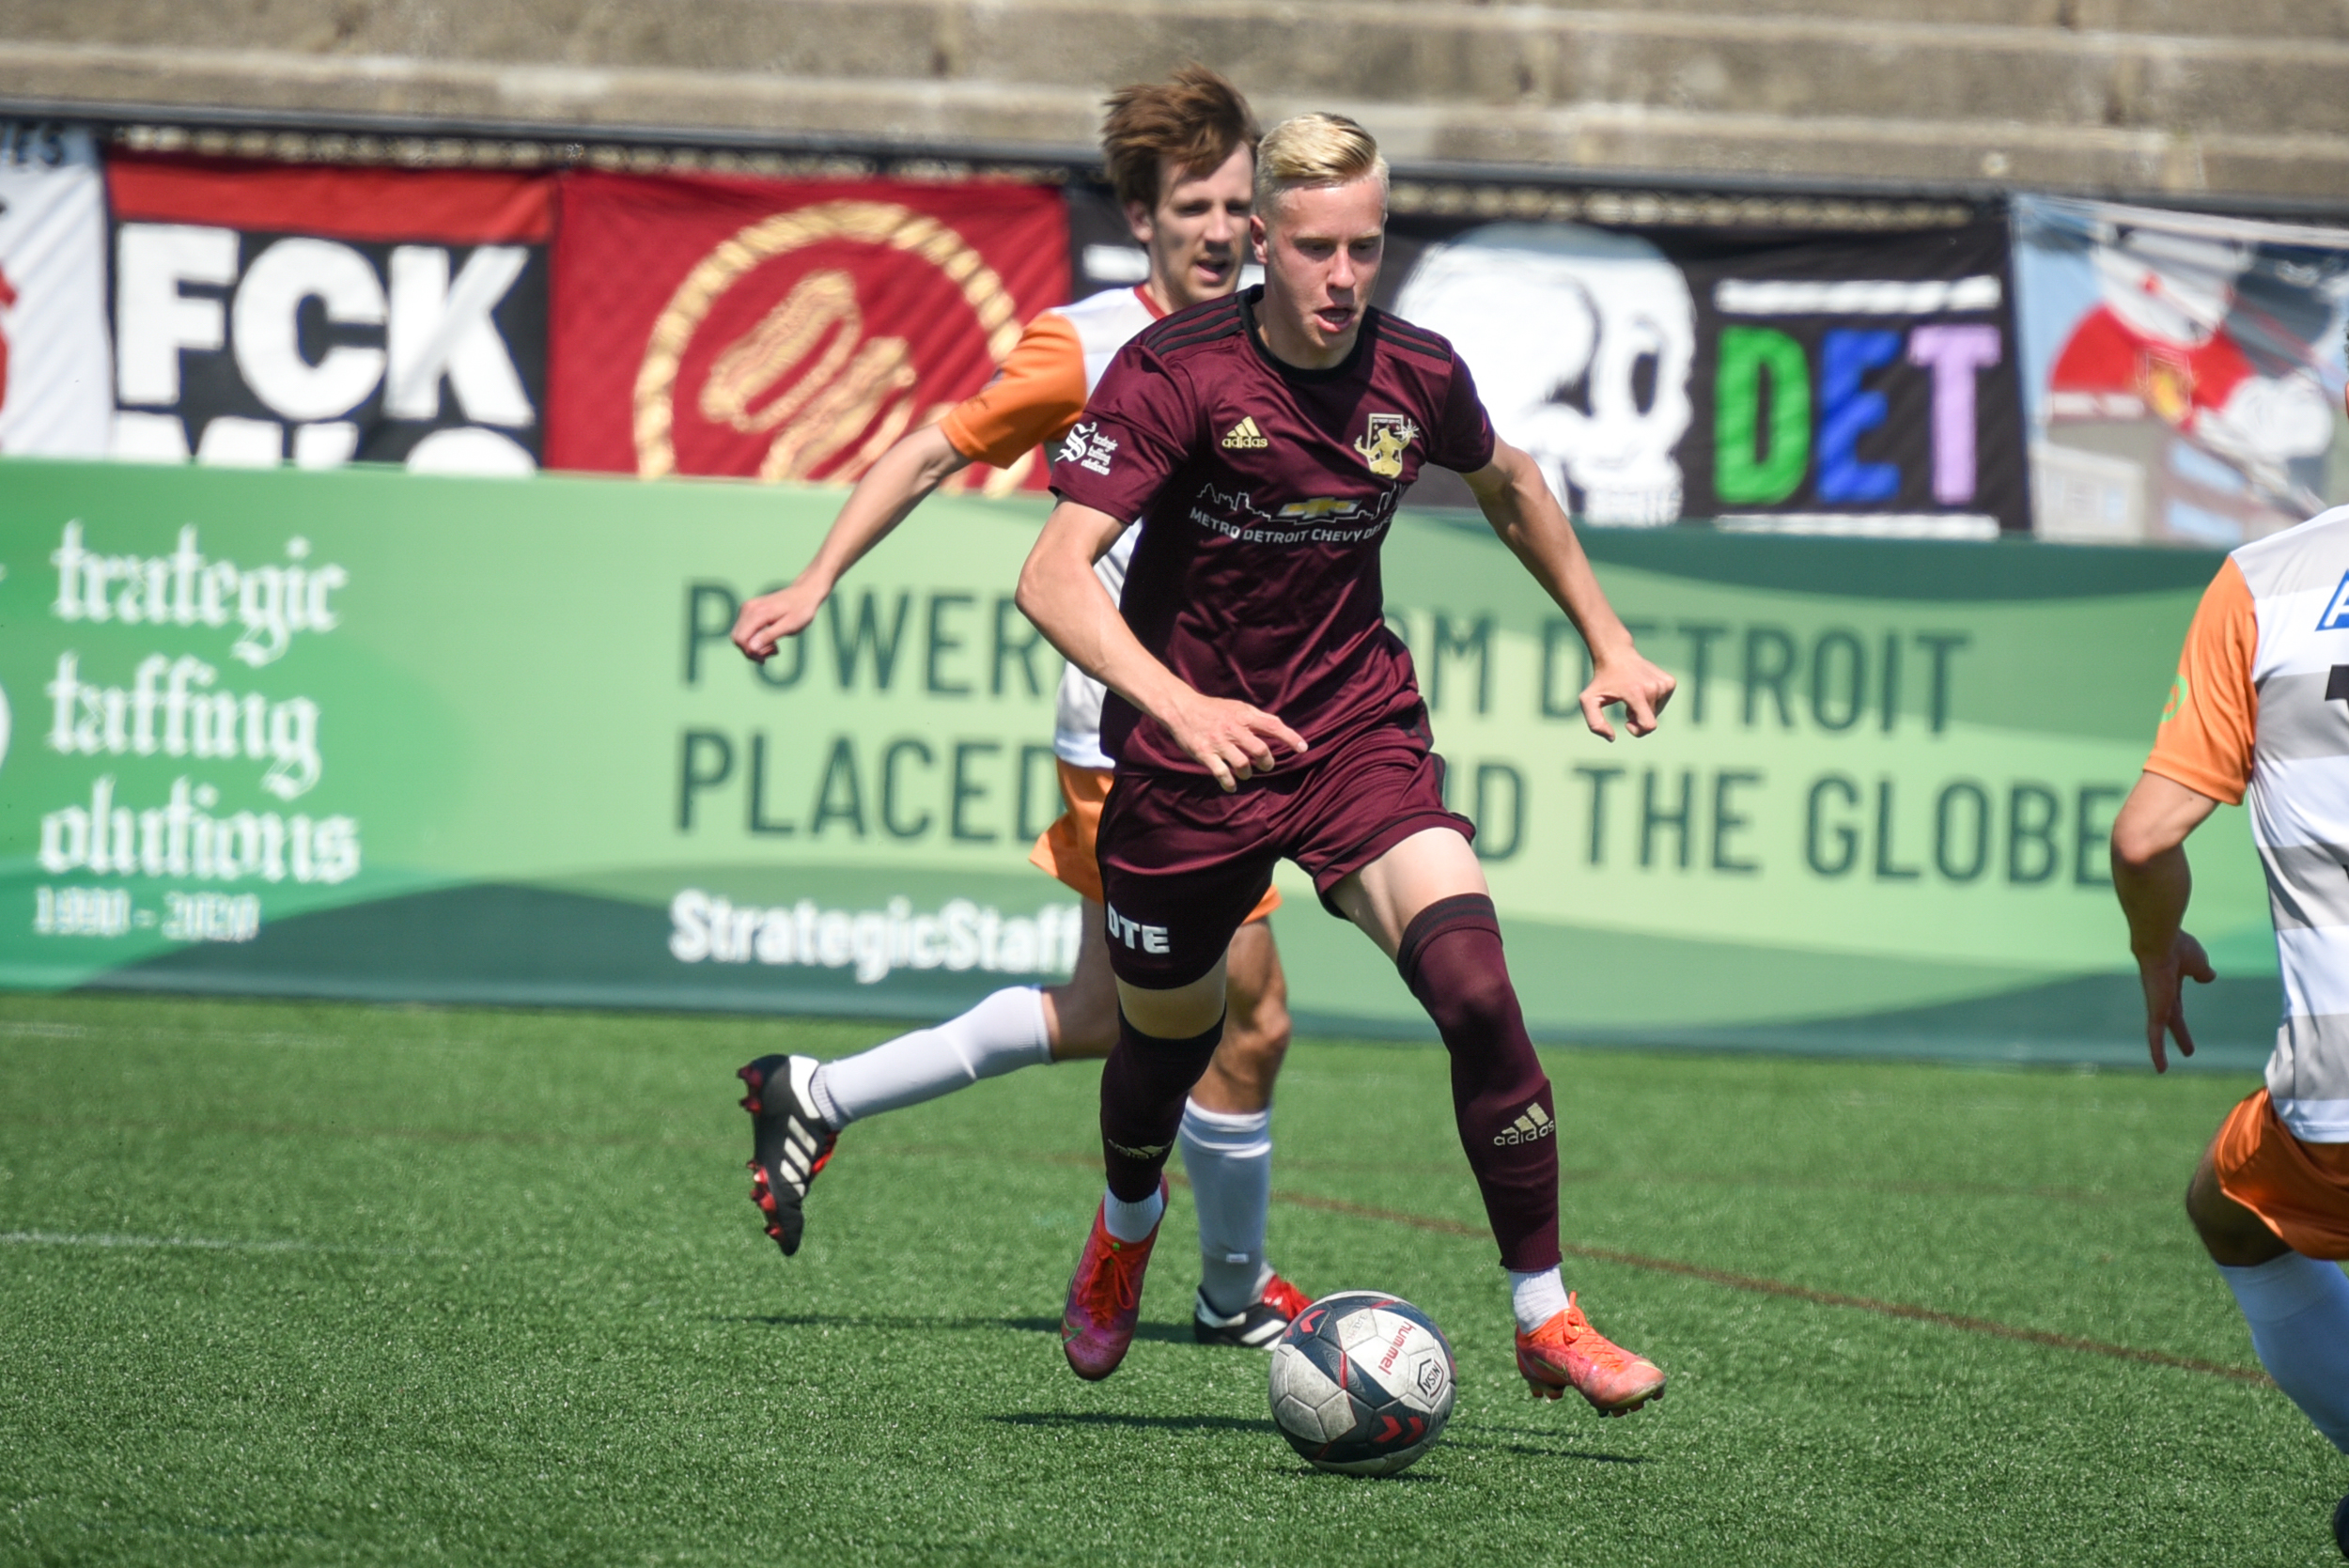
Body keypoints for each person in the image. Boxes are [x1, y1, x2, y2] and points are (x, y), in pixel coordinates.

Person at [1017, 111, 1677, 1412]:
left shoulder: (1416, 370)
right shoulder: (1173, 370)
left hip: (1351, 735)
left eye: (1365, 248)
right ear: (1262, 239)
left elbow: (1511, 481)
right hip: (1185, 758)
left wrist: (1608, 638)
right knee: (1162, 1042)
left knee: (1480, 992)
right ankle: (1125, 1229)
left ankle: (1545, 1315)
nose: (1340, 277)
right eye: (1315, 248)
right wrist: (1180, 706)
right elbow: (1050, 577)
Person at [727, 67, 1314, 1347]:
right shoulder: (1088, 344)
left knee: (1105, 1016)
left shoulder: (1282, 330)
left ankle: (817, 1090)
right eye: (1193, 209)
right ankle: (1229, 1290)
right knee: (1248, 1019)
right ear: (1142, 222)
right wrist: (818, 576)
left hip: (1229, 725)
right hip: (1138, 738)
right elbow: (937, 444)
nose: (1221, 231)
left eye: (1236, 205)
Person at [2110, 499, 2349, 1554]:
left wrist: (2154, 944)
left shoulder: (2267, 579)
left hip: (2338, 1090)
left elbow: (2143, 838)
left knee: (2228, 1207)